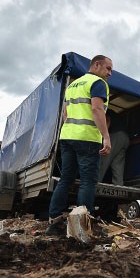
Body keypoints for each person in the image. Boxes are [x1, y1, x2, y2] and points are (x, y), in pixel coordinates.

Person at [46, 55, 113, 235]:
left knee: (66, 179)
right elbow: (97, 109)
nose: (110, 73)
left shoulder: (73, 85)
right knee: (87, 182)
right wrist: (106, 136)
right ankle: (82, 226)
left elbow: (65, 114)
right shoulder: (98, 84)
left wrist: (71, 130)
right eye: (108, 68)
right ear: (96, 65)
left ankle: (54, 222)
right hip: (87, 138)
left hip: (67, 136)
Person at [98, 110, 129, 185]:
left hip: (115, 135)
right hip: (125, 138)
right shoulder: (113, 113)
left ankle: (95, 185)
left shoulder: (104, 109)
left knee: (103, 161)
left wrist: (104, 136)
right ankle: (118, 186)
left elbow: (107, 120)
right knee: (117, 164)